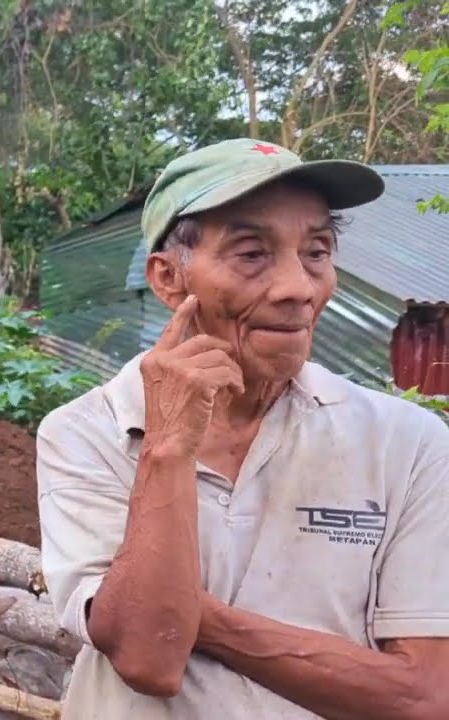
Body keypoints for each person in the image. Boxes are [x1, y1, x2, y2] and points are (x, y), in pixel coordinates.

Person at [35, 138, 449, 719]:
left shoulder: (408, 444)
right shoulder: (85, 432)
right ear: (168, 279)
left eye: (317, 252)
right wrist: (168, 446)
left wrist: (192, 616)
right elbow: (148, 657)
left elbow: (424, 696)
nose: (297, 288)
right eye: (251, 254)